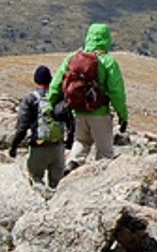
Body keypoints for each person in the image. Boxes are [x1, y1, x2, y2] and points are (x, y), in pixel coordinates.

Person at [48, 22, 129, 164]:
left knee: (81, 142)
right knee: (105, 152)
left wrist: (50, 104)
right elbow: (116, 92)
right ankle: (101, 181)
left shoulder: (73, 58)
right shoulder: (108, 62)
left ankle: (71, 166)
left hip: (78, 111)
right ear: (107, 39)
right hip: (100, 113)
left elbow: (56, 83)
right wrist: (122, 116)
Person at [7, 64, 70, 188]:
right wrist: (69, 141)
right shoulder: (59, 98)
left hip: (39, 147)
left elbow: (22, 127)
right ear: (50, 80)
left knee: (36, 181)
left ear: (36, 80)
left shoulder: (30, 99)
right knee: (58, 185)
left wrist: (14, 146)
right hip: (58, 147)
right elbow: (70, 121)